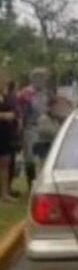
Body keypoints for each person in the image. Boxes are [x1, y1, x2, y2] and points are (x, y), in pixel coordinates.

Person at [0, 71, 19, 202]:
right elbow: (7, 115)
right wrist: (3, 116)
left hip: (5, 134)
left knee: (5, 164)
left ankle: (5, 193)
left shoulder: (6, 97)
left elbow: (14, 113)